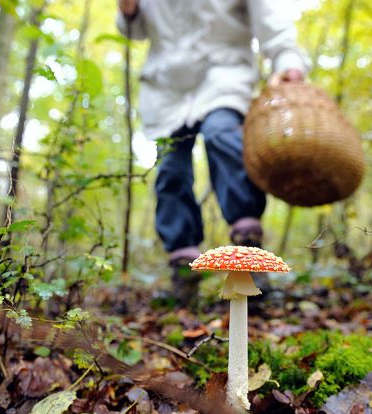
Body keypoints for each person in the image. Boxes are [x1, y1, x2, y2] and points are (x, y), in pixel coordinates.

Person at [116, 0, 307, 300]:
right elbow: (134, 30)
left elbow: (270, 20)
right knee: (170, 169)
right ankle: (183, 270)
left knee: (223, 135)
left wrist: (287, 61)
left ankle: (249, 254)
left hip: (224, 76)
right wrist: (129, 11)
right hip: (167, 89)